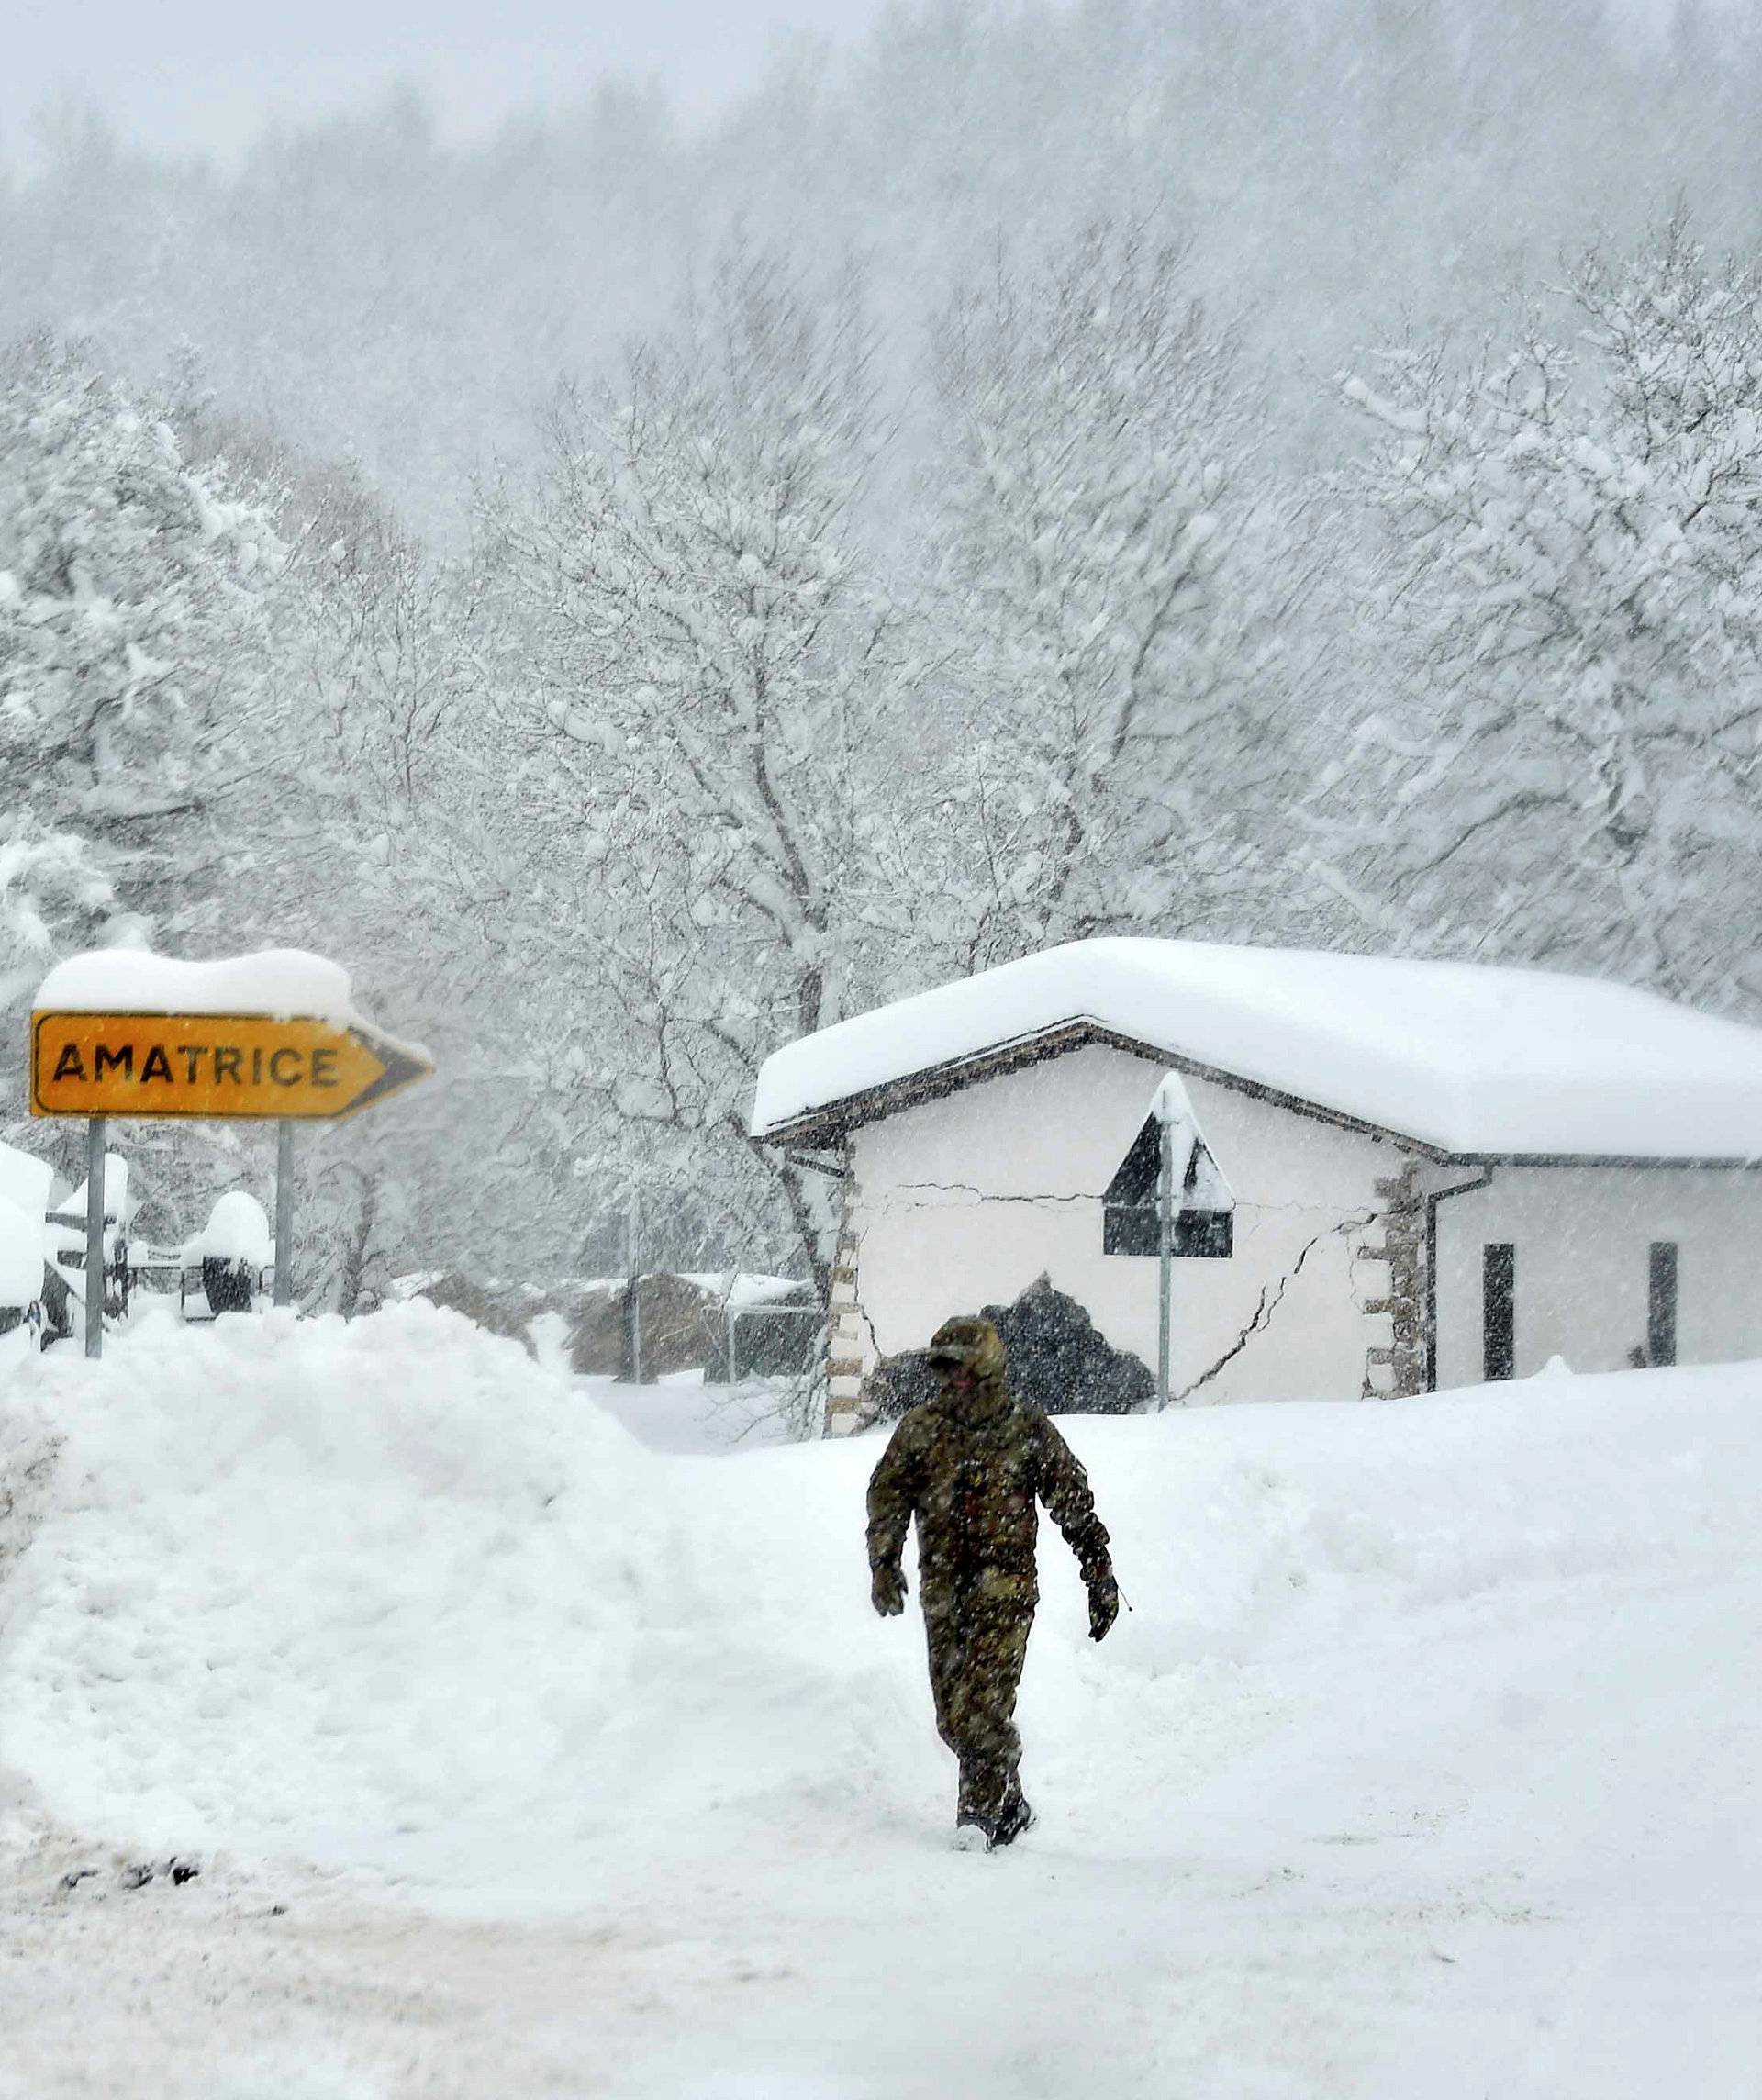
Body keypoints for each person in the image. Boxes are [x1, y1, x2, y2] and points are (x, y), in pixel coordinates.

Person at [866, 1312, 1120, 1850]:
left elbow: (1071, 1503)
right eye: (945, 1370)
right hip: (942, 1594)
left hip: (1004, 1596)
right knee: (953, 1718)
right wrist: (884, 1562)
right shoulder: (921, 1430)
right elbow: (887, 1495)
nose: (953, 1381)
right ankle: (1012, 1803)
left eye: (962, 1369)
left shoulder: (1025, 1429)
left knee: (983, 1708)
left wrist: (1098, 1574)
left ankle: (978, 1819)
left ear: (986, 1369)